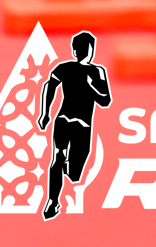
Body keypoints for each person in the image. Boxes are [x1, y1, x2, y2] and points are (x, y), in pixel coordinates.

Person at [37, 31, 111, 220]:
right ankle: (53, 200)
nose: (85, 51)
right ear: (76, 50)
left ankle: (65, 168)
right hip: (67, 120)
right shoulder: (67, 68)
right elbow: (49, 86)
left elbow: (105, 100)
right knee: (58, 156)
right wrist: (45, 113)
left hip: (79, 125)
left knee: (74, 172)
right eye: (82, 48)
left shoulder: (97, 71)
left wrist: (89, 86)